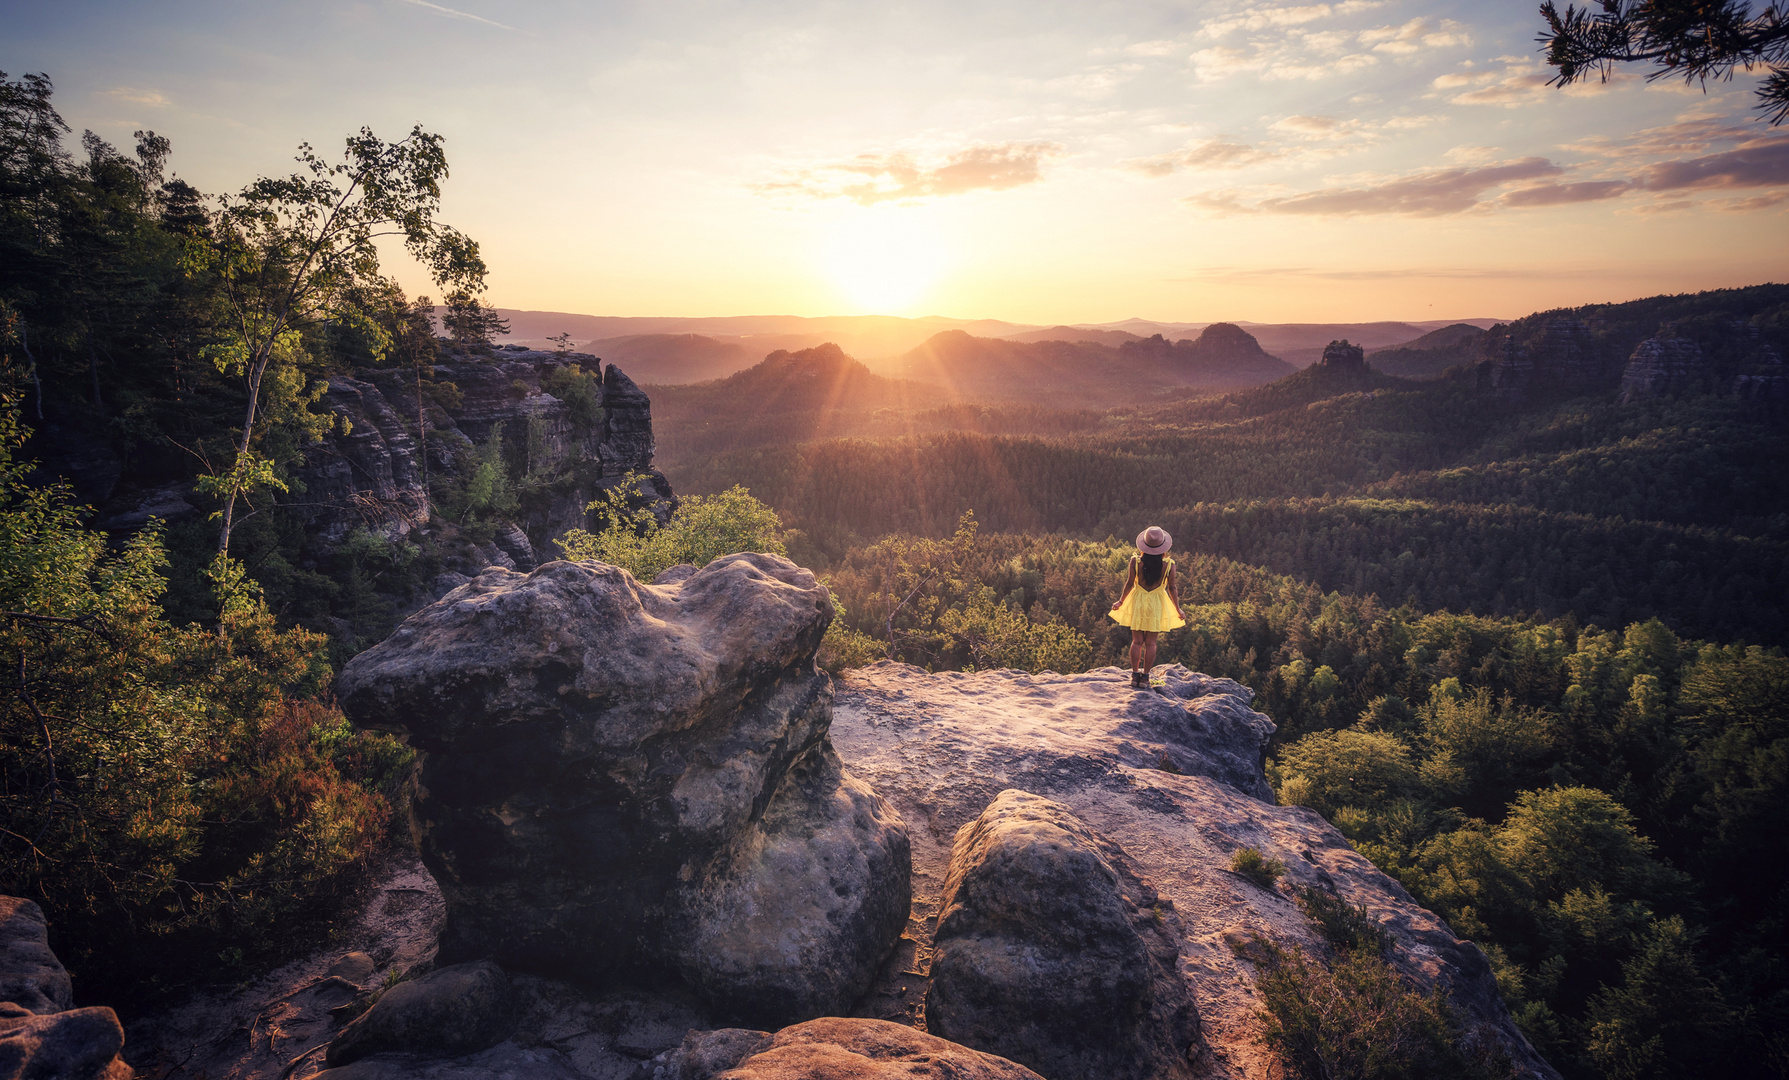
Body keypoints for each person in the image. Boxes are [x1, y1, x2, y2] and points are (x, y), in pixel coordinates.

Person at [1109, 526, 1186, 689]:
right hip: (1157, 603)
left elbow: (1129, 583)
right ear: (1162, 546)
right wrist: (1178, 609)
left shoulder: (1135, 561)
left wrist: (1121, 601)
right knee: (1151, 643)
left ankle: (1134, 676)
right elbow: (1172, 588)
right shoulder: (1169, 565)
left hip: (1138, 601)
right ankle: (1145, 678)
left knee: (1137, 641)